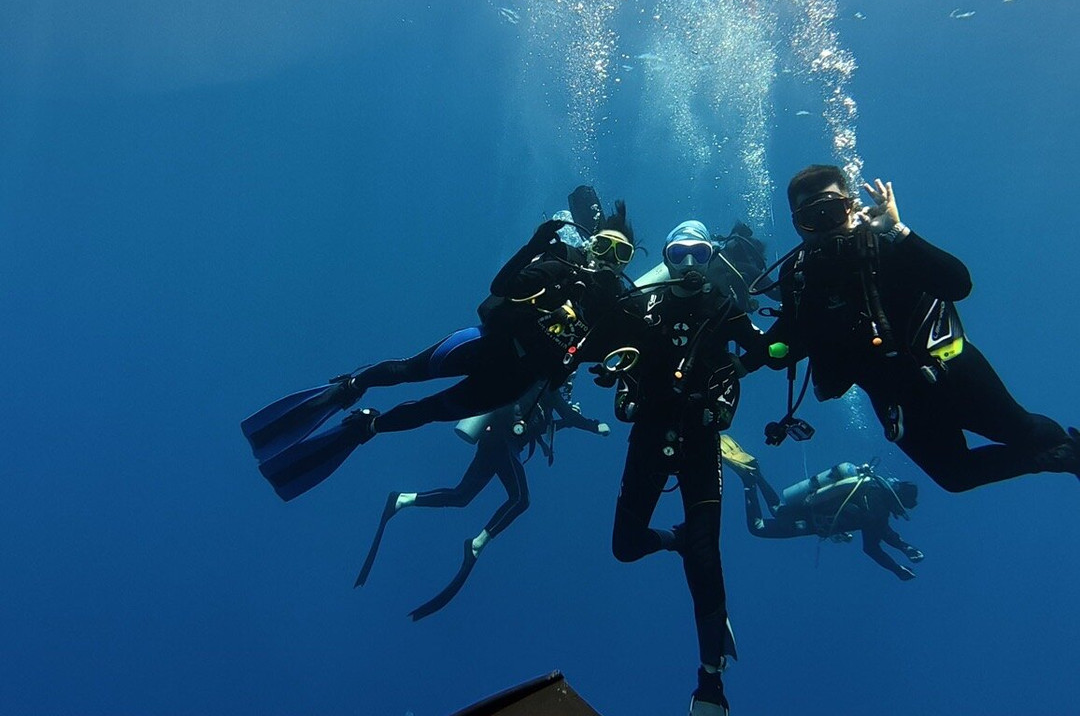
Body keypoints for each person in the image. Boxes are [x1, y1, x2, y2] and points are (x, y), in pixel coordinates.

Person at [242, 201, 635, 501]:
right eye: (604, 246)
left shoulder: (614, 314)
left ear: (626, 266)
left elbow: (618, 360)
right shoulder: (562, 266)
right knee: (410, 370)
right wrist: (534, 246)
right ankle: (352, 386)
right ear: (591, 246)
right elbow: (502, 287)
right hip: (486, 345)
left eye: (622, 255)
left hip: (509, 384)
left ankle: (367, 426)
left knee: (429, 412)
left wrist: (616, 374)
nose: (609, 259)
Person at [753, 165, 1080, 492]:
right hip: (896, 399)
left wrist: (898, 232)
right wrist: (746, 335)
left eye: (832, 210)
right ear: (797, 226)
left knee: (1021, 431)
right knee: (955, 476)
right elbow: (783, 350)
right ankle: (1060, 458)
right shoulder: (798, 280)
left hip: (952, 371)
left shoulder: (885, 243)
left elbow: (958, 284)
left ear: (851, 206)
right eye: (811, 217)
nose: (824, 226)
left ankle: (1070, 453)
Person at [595, 220, 768, 716]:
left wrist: (739, 369)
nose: (689, 264)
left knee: (706, 551)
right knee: (625, 548)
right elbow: (599, 342)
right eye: (678, 253)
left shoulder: (722, 305)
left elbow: (766, 348)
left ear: (711, 255)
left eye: (699, 252)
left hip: (699, 437)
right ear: (667, 258)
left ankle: (711, 682)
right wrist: (612, 372)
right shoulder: (643, 306)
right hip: (649, 434)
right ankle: (674, 538)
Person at [355, 382, 611, 619]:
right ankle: (476, 544)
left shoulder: (541, 403)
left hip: (495, 441)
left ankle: (402, 500)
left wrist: (563, 422)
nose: (566, 391)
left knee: (461, 495)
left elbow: (546, 425)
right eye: (567, 386)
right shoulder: (546, 388)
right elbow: (568, 414)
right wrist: (593, 425)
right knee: (521, 499)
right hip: (503, 442)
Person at [720, 437, 924, 581]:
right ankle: (748, 479)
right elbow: (873, 547)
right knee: (759, 527)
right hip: (812, 522)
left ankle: (756, 473)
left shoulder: (869, 486)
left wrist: (904, 548)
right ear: (899, 500)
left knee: (777, 509)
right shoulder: (879, 512)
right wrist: (897, 567)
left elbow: (884, 533)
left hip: (812, 503)